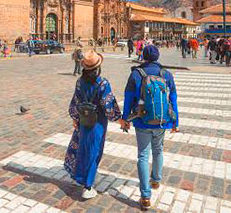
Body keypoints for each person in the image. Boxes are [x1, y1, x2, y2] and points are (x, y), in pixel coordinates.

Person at [121, 45, 179, 210]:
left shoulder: (136, 74)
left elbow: (128, 98)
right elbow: (173, 98)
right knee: (158, 150)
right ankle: (156, 180)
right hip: (162, 120)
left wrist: (125, 119)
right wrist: (175, 122)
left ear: (143, 56)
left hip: (142, 120)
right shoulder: (166, 74)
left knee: (143, 156)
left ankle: (145, 197)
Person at [64, 51, 123, 200]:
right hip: (97, 123)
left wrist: (75, 119)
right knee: (94, 151)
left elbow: (75, 103)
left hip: (84, 120)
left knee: (83, 148)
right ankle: (87, 186)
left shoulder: (79, 82)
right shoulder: (103, 83)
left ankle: (80, 176)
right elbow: (108, 105)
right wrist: (119, 119)